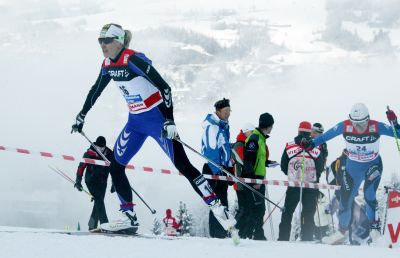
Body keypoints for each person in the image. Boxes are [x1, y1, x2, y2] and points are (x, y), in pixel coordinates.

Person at [71, 23, 235, 234]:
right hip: (135, 122)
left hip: (157, 120)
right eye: (100, 41)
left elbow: (164, 87)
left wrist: (169, 120)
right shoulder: (107, 64)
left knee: (184, 166)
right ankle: (128, 216)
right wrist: (82, 115)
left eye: (107, 41)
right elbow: (96, 91)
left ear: (119, 42)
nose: (103, 45)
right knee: (115, 166)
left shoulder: (133, 59)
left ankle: (217, 207)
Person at [304, 103, 400, 244]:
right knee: (345, 200)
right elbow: (324, 137)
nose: (357, 127)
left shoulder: (376, 126)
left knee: (369, 195)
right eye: (355, 123)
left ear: (368, 119)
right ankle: (342, 232)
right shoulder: (345, 126)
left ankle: (374, 228)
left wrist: (395, 123)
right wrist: (311, 144)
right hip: (352, 169)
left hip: (372, 166)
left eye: (361, 123)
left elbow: (398, 133)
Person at [277, 121, 325, 241]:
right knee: (308, 214)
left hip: (294, 184)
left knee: (287, 212)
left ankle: (282, 239)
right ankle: (307, 239)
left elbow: (283, 165)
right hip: (310, 185)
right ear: (310, 133)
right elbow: (320, 167)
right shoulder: (316, 147)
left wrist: (292, 175)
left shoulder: (289, 145)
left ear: (298, 131)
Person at [201, 98, 232, 238]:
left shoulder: (222, 125)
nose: (228, 113)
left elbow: (224, 147)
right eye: (226, 111)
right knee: (218, 202)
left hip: (222, 168)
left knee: (223, 201)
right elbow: (211, 150)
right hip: (214, 169)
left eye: (229, 110)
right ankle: (217, 233)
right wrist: (217, 171)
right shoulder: (212, 127)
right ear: (218, 111)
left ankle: (221, 232)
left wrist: (229, 165)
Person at [242, 113, 276, 240]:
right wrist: (253, 180)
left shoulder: (261, 138)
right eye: (271, 126)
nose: (272, 129)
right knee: (256, 208)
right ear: (268, 126)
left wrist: (267, 163)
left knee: (259, 209)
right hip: (253, 178)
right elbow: (248, 161)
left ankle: (256, 235)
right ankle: (247, 235)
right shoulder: (254, 138)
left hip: (259, 178)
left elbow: (258, 158)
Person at [74, 136, 113, 230]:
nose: (101, 149)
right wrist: (78, 181)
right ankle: (105, 224)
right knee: (99, 200)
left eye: (102, 147)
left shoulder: (109, 154)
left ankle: (91, 225)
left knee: (99, 203)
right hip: (91, 181)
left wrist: (114, 184)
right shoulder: (89, 153)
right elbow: (81, 167)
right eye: (99, 147)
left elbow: (114, 169)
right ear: (96, 145)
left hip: (103, 182)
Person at [231, 123, 255, 238]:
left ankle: (241, 233)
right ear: (246, 132)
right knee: (243, 208)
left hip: (243, 181)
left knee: (246, 208)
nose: (253, 134)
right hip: (240, 182)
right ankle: (233, 231)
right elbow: (242, 161)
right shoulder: (239, 145)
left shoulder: (243, 144)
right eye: (252, 132)